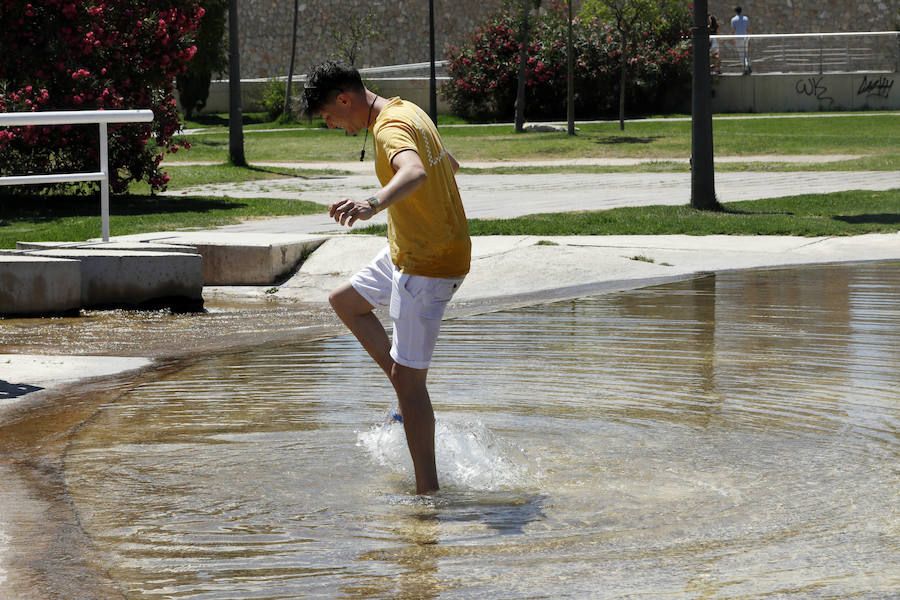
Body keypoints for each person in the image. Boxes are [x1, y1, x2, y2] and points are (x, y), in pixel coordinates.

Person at [302, 61, 470, 495]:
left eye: (330, 117)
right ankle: (403, 390)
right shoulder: (408, 111)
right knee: (345, 301)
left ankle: (426, 494)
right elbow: (449, 165)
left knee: (411, 384)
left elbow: (415, 172)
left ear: (345, 99)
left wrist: (371, 205)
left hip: (427, 263)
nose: (334, 126)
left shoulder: (388, 129)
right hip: (408, 249)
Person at [730, 6, 751, 74]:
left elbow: (733, 30)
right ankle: (748, 65)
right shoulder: (746, 18)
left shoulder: (733, 20)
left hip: (738, 38)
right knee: (746, 53)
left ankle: (745, 68)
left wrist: (733, 39)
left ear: (735, 11)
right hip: (745, 38)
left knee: (741, 54)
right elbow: (748, 29)